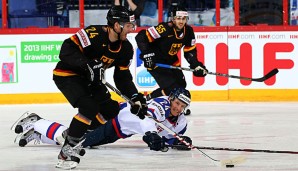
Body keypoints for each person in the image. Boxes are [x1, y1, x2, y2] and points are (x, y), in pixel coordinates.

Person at [49, 5, 147, 169]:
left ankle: (73, 134)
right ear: (116, 25)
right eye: (128, 25)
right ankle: (66, 152)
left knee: (110, 109)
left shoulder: (126, 49)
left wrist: (135, 97)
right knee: (89, 106)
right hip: (67, 75)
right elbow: (66, 50)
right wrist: (86, 65)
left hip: (92, 80)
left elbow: (122, 78)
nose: (131, 29)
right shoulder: (92, 34)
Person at [13, 88, 193, 153]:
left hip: (118, 132)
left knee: (80, 143)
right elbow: (145, 119)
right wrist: (151, 134)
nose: (178, 108)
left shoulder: (181, 122)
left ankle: (38, 133)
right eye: (177, 103)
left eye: (182, 107)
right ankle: (36, 121)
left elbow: (169, 139)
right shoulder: (160, 104)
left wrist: (179, 144)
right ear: (171, 99)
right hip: (112, 118)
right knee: (75, 140)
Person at [135, 4, 208, 115]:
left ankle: (156, 100)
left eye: (183, 18)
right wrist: (147, 54)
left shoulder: (188, 31)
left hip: (171, 60)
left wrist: (196, 65)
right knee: (171, 88)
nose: (181, 21)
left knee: (181, 85)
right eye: (178, 18)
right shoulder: (164, 28)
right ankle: (148, 101)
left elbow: (190, 51)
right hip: (155, 61)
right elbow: (141, 37)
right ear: (173, 19)